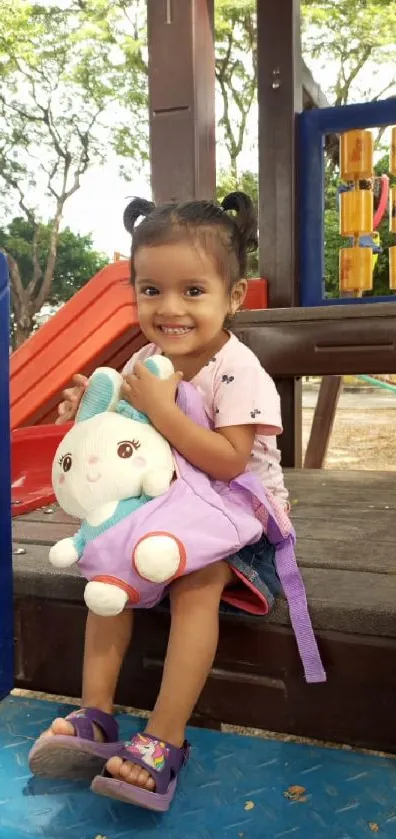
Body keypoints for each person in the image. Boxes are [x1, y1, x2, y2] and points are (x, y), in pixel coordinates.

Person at [29, 192, 290, 810]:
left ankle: (164, 738)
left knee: (194, 582)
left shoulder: (239, 369)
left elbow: (229, 461)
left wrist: (161, 410)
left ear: (233, 296)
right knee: (105, 572)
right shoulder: (144, 362)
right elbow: (121, 427)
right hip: (167, 506)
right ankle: (96, 715)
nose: (169, 308)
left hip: (236, 514)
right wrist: (87, 414)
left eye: (193, 291)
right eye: (151, 290)